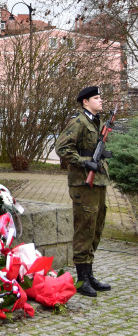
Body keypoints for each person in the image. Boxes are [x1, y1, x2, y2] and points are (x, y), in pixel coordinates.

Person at [55, 85, 112, 297]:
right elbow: (61, 147)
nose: (100, 100)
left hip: (98, 182)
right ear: (85, 102)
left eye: (100, 97)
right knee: (84, 228)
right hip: (82, 183)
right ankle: (81, 279)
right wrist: (85, 162)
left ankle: (89, 275)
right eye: (96, 98)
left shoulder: (96, 122)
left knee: (96, 226)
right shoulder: (78, 121)